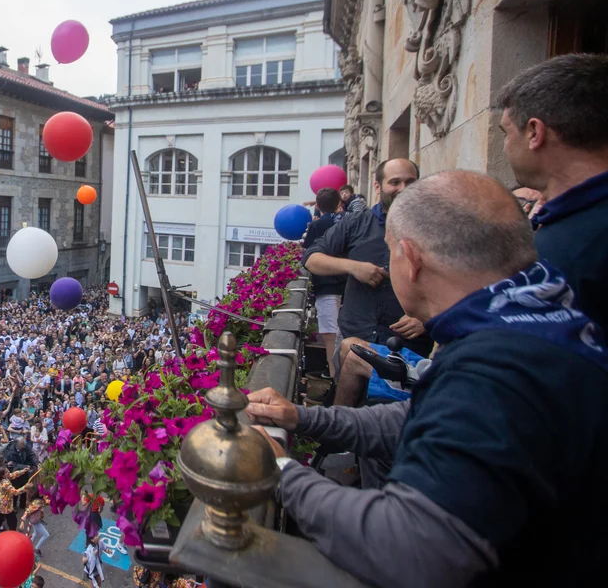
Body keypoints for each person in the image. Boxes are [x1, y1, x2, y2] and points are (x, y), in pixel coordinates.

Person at [246, 171, 608, 586]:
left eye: (390, 254)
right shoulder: (522, 322)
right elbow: (415, 417)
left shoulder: (498, 365)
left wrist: (280, 470)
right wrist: (304, 418)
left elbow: (407, 549)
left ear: (410, 258)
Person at [303, 158, 429, 409]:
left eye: (410, 182)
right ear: (378, 186)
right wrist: (353, 267)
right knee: (347, 401)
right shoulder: (356, 223)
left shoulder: (434, 229)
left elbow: (461, 287)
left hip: (407, 343)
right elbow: (311, 259)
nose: (403, 188)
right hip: (355, 330)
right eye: (395, 182)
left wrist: (428, 320)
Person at [495, 53, 608, 328]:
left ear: (534, 132)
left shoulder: (581, 240)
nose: (505, 147)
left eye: (506, 133)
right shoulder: (567, 224)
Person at [302, 187, 345, 376]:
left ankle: (334, 378)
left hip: (326, 285)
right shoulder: (346, 221)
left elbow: (308, 253)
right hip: (346, 284)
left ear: (318, 206)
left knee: (330, 335)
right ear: (339, 203)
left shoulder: (317, 225)